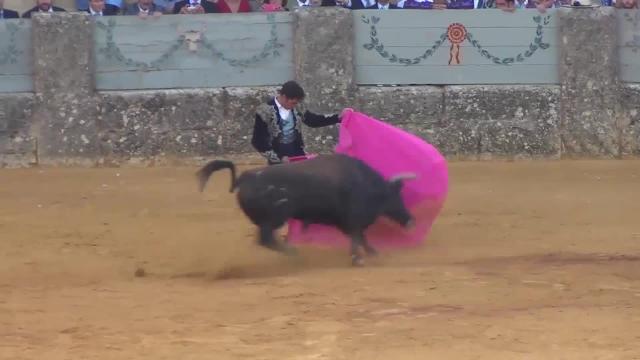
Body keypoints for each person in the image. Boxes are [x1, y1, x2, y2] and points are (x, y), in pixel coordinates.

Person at [252, 80, 343, 165]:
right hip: (278, 161)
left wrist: (338, 117)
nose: (295, 105)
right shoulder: (264, 111)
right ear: (284, 97)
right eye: (293, 103)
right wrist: (279, 158)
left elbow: (313, 120)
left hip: (297, 155)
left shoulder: (297, 106)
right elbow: (257, 141)